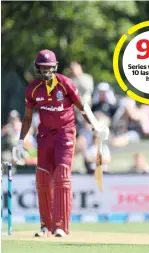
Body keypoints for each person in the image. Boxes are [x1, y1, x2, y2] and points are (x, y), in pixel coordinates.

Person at [11, 49, 109, 237]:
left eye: (49, 68)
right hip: (45, 135)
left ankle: (61, 227)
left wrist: (96, 126)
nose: (46, 72)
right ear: (37, 68)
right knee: (42, 178)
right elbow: (28, 117)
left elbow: (83, 107)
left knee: (62, 176)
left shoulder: (65, 84)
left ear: (54, 67)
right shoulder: (32, 88)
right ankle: (45, 226)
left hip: (65, 134)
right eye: (42, 68)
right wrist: (20, 142)